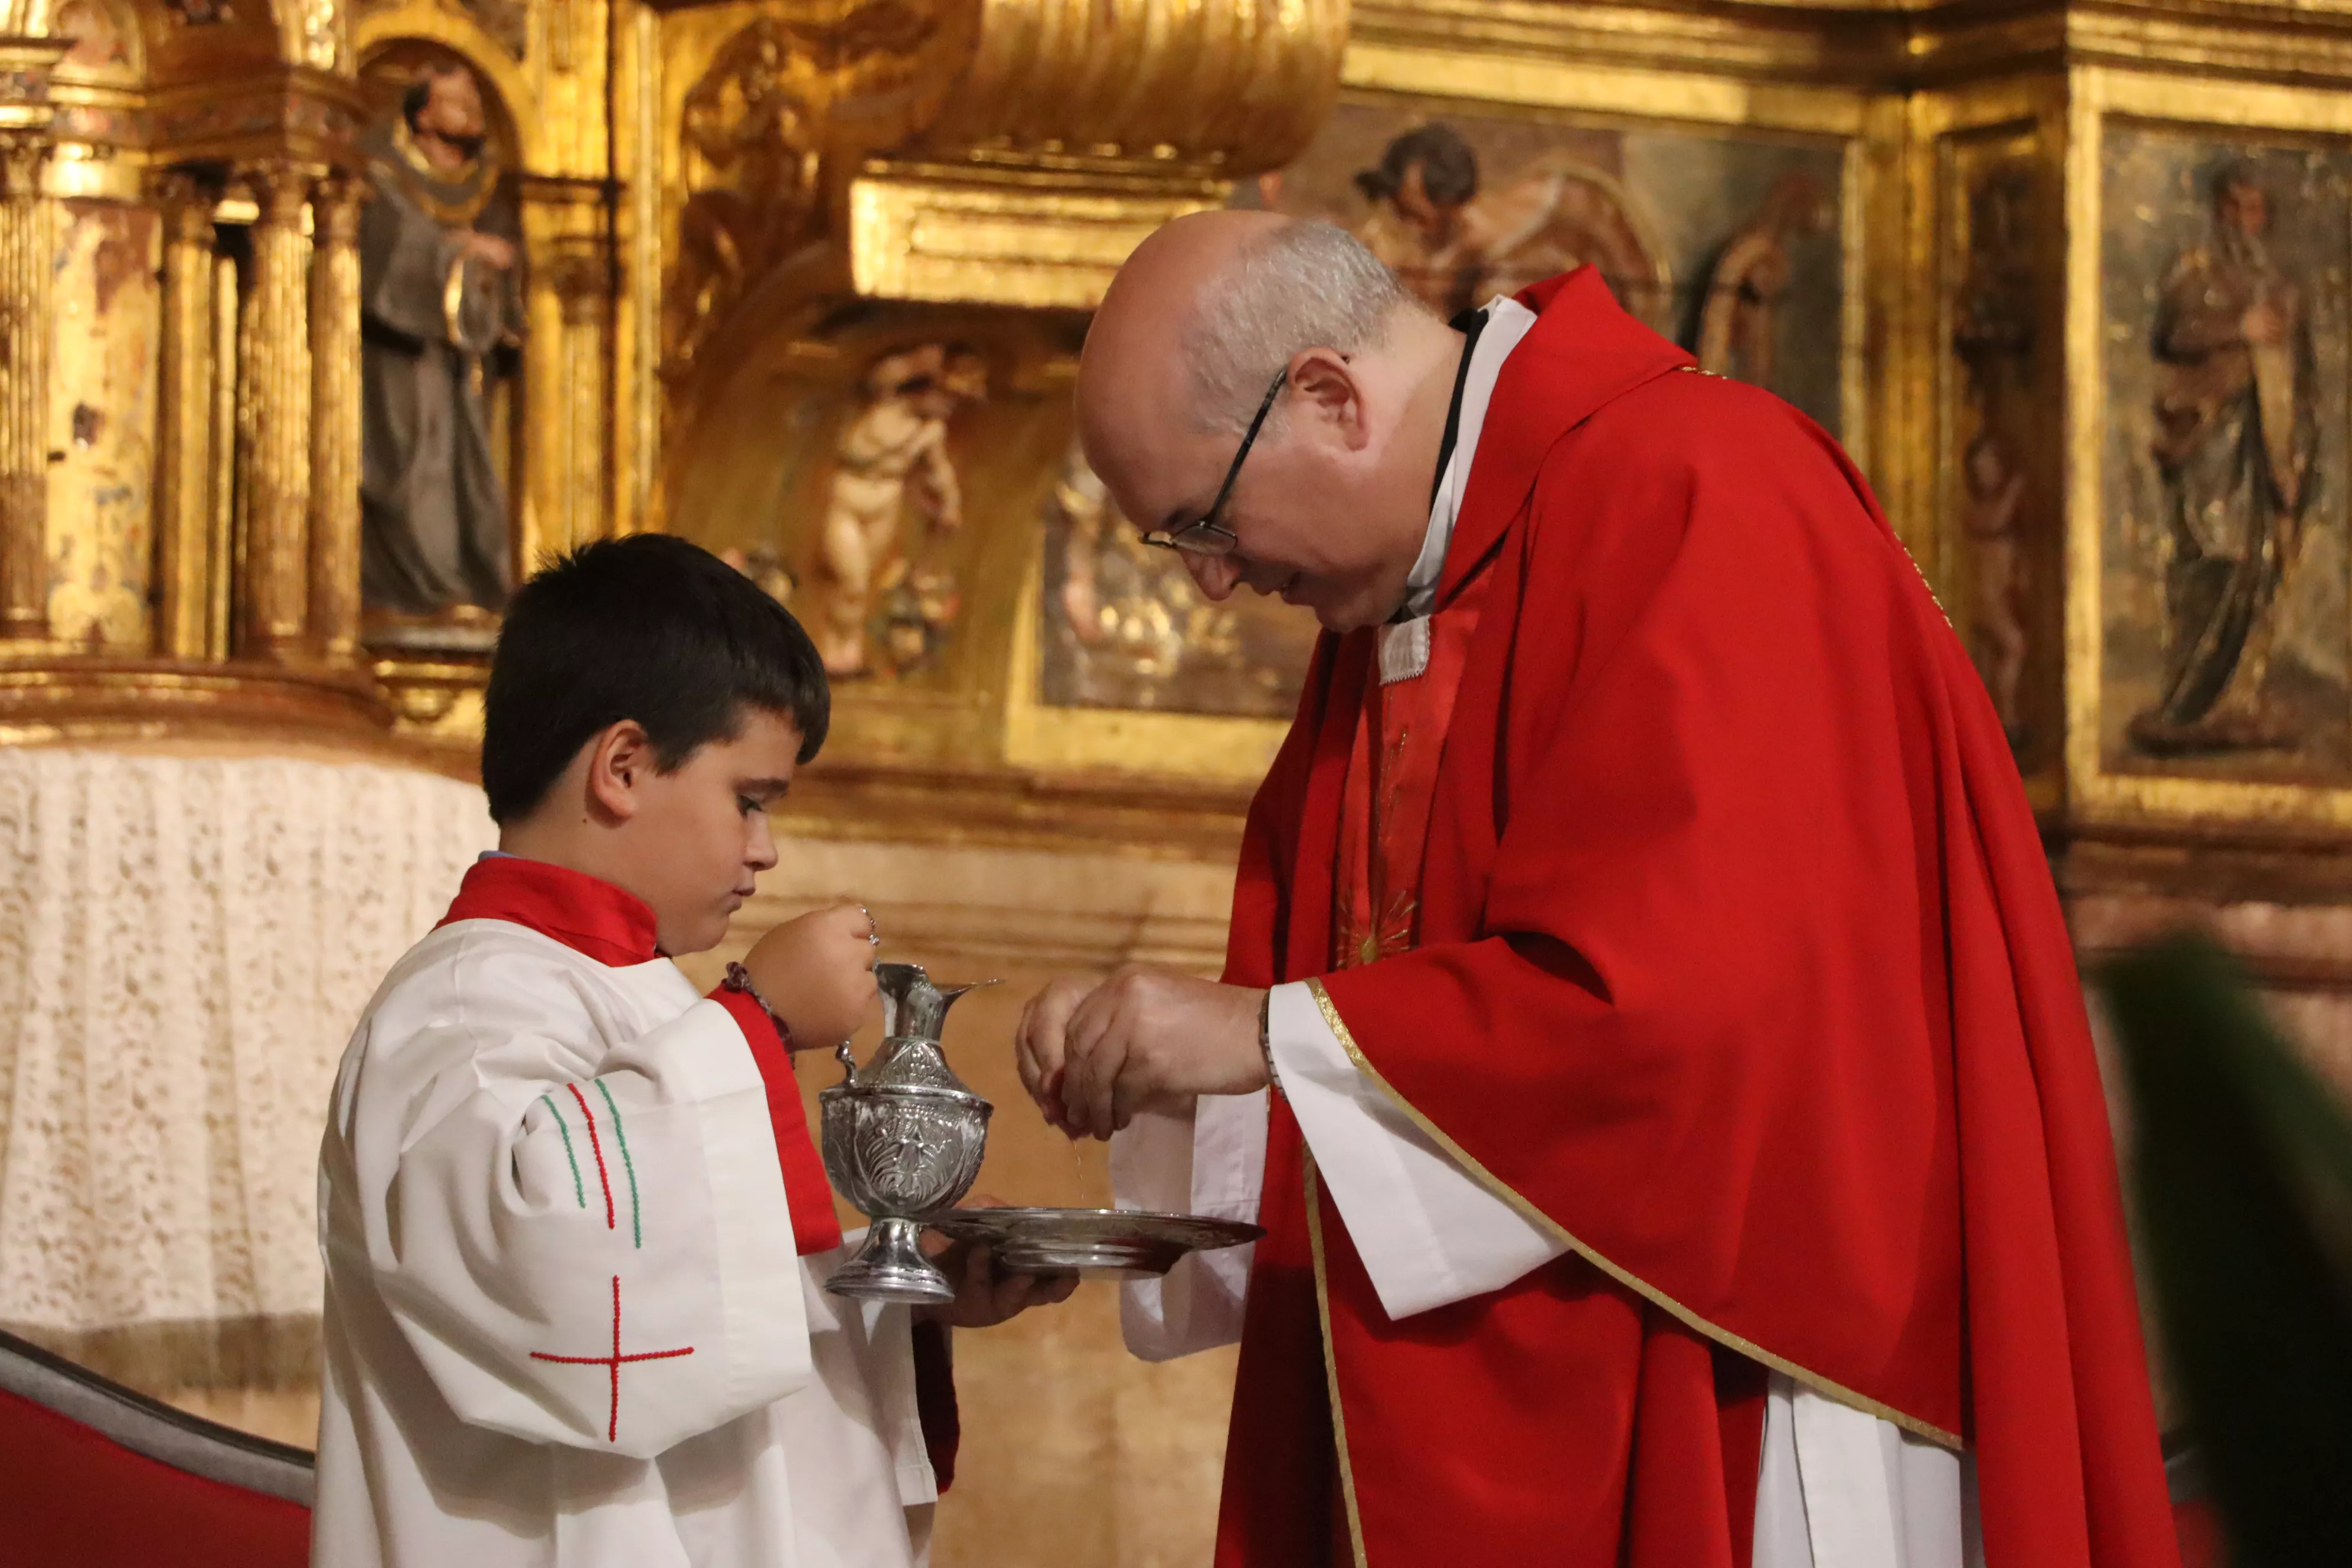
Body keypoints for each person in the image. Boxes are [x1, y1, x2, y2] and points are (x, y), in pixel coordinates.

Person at [1015, 213, 2180, 1567]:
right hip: (1546, 1380)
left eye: (1202, 525)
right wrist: (1179, 1074)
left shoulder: (1702, 486)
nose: (1216, 585)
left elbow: (1691, 1003)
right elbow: (1357, 997)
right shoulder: (1411, 582)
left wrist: (1261, 1035)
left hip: (1748, 1355)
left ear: (1330, 398)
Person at [314, 534, 1073, 1566]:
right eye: (749, 799)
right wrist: (755, 1019)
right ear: (623, 767)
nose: (765, 848)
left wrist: (896, 1290)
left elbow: (670, 1306)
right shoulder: (460, 1005)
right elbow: (552, 1279)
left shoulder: (633, 989)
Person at [2131, 161, 2318, 754]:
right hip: (2208, 443)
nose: (2244, 220)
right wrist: (2239, 327)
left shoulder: (2282, 289)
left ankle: (2239, 696)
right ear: (2218, 211)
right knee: (2211, 561)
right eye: (2233, 207)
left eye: (2254, 208)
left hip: (2267, 447)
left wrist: (2298, 455)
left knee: (2260, 566)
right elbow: (2173, 333)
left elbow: (2303, 373)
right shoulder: (2196, 274)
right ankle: (2189, 701)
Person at [358, 61, 522, 630]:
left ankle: (467, 582)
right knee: (410, 462)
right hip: (397, 352)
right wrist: (458, 254)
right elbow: (387, 250)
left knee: (467, 467)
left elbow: (507, 256)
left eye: (475, 108)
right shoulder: (383, 171)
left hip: (462, 359)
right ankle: (416, 585)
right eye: (457, 105)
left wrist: (487, 260)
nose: (472, 118)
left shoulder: (484, 186)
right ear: (422, 112)